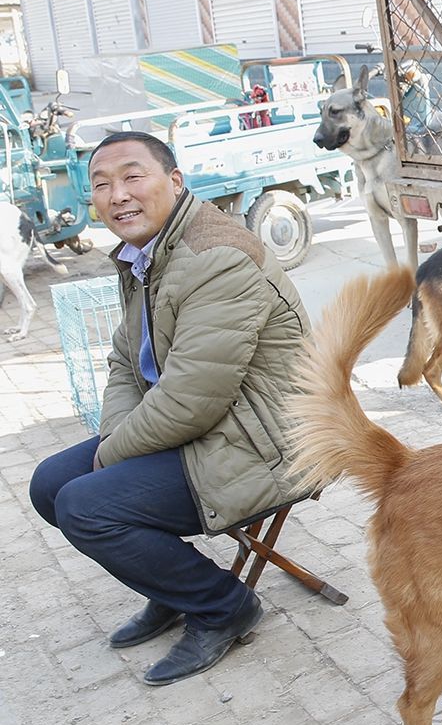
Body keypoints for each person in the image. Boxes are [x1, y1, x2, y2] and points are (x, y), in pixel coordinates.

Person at [29, 131, 313, 686]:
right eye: (103, 185)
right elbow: (123, 362)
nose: (118, 196)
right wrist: (115, 444)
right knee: (49, 485)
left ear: (175, 181)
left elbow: (189, 403)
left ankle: (223, 606)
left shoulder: (215, 256)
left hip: (264, 441)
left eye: (133, 177)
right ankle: (169, 584)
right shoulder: (149, 253)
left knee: (86, 507)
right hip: (204, 428)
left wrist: (110, 456)